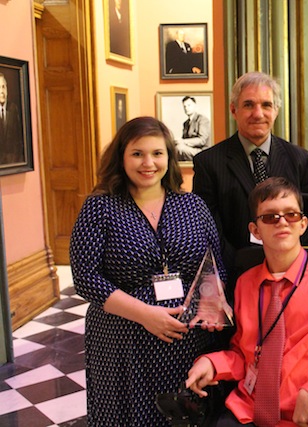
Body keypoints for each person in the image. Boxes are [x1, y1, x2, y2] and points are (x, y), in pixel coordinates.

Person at [186, 177, 308, 427]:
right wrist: (213, 363)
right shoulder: (246, 283)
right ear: (255, 230)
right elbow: (245, 354)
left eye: (290, 215)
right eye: (270, 217)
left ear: (303, 224)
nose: (281, 222)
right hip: (248, 411)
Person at [70, 116, 227, 426]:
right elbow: (86, 278)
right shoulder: (100, 207)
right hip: (123, 342)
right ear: (121, 157)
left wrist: (211, 309)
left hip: (187, 341)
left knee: (184, 414)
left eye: (157, 153)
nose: (148, 163)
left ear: (170, 157)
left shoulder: (192, 205)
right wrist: (145, 314)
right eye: (137, 153)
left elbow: (214, 264)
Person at [193, 71, 308, 273]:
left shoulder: (299, 159)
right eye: (249, 105)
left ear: (276, 110)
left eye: (266, 105)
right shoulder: (208, 163)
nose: (258, 114)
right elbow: (208, 229)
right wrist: (240, 265)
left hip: (291, 271)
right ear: (234, 110)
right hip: (234, 272)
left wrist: (288, 263)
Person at [175, 96, 211, 161]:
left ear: (195, 106)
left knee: (179, 148)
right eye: (184, 106)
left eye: (189, 105)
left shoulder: (202, 120)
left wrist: (183, 141)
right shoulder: (186, 123)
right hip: (190, 149)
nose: (186, 108)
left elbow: (202, 140)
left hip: (202, 151)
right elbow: (184, 139)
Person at [0, 72, 23, 165]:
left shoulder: (13, 108)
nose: (1, 91)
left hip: (12, 162)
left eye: (3, 87)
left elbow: (18, 140)